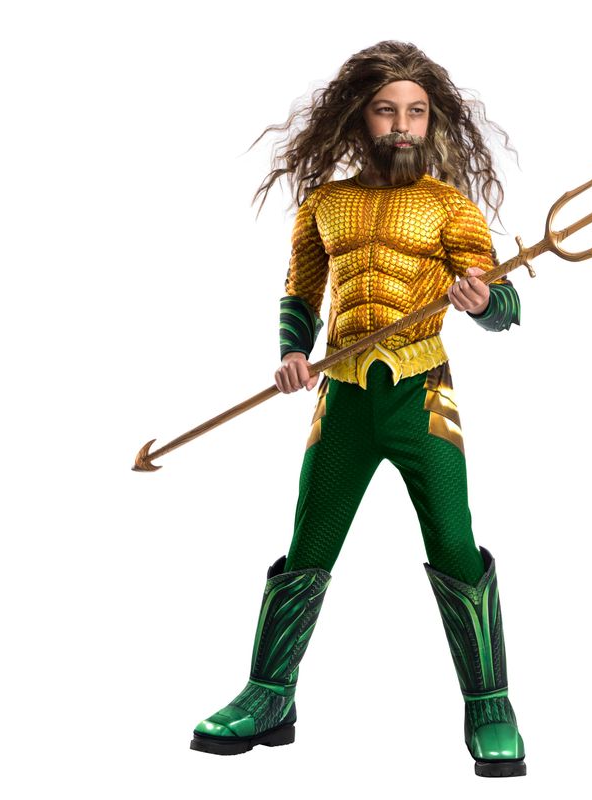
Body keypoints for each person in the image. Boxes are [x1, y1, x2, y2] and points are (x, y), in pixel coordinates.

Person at [190, 40, 526, 778]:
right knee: (309, 541)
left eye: (416, 111)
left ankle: (490, 703)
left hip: (422, 394)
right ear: (358, 117)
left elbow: (504, 301)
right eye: (386, 110)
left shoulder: (449, 206)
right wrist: (291, 352)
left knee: (454, 540)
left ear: (432, 120)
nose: (402, 125)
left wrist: (482, 302)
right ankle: (270, 694)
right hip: (340, 394)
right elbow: (300, 293)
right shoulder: (326, 204)